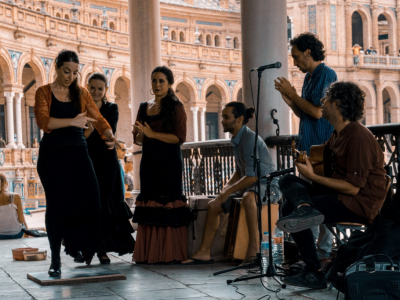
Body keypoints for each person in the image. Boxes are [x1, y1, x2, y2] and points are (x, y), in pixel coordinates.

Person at [277, 81, 387, 289]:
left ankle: (314, 273)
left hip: (357, 204)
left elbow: (353, 188)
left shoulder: (358, 137)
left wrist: (313, 177)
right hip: (338, 194)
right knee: (286, 181)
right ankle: (305, 209)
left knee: (289, 208)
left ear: (336, 105)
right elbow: (324, 164)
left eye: (326, 99)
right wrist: (307, 165)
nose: (321, 102)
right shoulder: (338, 134)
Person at [34, 50, 119, 277]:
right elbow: (44, 122)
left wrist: (109, 134)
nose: (70, 76)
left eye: (74, 72)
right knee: (56, 206)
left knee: (91, 200)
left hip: (79, 154)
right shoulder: (44, 92)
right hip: (52, 155)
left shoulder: (81, 93)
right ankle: (55, 260)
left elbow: (99, 120)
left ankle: (74, 244)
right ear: (57, 68)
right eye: (66, 71)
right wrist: (73, 121)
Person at [183, 102, 281, 265]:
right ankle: (204, 252)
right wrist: (224, 190)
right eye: (222, 117)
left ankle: (253, 251)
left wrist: (227, 192)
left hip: (268, 185)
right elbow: (238, 172)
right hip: (252, 184)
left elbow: (253, 176)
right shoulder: (237, 138)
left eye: (226, 117)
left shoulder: (249, 138)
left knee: (249, 198)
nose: (222, 121)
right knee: (215, 205)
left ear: (239, 119)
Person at [275, 32, 337, 260]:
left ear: (309, 52)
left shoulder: (326, 74)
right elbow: (303, 113)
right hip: (308, 147)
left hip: (322, 150)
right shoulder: (309, 77)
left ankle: (323, 252)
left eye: (296, 56)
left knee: (320, 202)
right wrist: (290, 99)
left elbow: (318, 112)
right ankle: (311, 253)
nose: (294, 62)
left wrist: (293, 94)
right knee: (307, 201)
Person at [132, 66, 192, 264]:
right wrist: (140, 133)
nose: (157, 85)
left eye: (161, 81)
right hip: (149, 161)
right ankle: (150, 253)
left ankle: (169, 253)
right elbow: (139, 140)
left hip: (169, 163)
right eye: (154, 80)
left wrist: (152, 134)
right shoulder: (143, 107)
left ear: (169, 84)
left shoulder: (176, 106)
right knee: (150, 200)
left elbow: (179, 138)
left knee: (167, 202)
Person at [85, 73, 135, 264]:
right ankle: (89, 248)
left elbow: (107, 133)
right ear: (87, 88)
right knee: (89, 205)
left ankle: (103, 249)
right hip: (87, 162)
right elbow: (82, 134)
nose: (96, 92)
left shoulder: (111, 108)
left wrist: (90, 125)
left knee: (106, 205)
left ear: (105, 90)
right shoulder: (81, 108)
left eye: (100, 88)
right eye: (93, 88)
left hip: (107, 164)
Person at [0, 173, 28, 239]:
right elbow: (21, 220)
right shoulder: (15, 196)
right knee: (23, 221)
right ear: (6, 183)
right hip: (16, 233)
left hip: (0, 234)